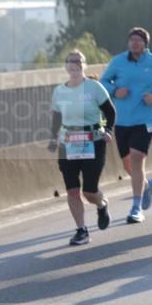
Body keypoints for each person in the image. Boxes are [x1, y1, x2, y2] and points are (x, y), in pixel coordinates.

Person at [100, 27, 152, 223]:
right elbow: (103, 81)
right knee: (127, 164)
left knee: (136, 158)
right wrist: (115, 91)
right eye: (131, 40)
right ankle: (147, 185)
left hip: (146, 118)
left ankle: (136, 207)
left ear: (145, 43)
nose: (134, 43)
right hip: (122, 119)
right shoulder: (118, 61)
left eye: (138, 40)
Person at [48, 50, 116, 245]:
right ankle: (81, 230)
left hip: (93, 141)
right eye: (70, 61)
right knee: (72, 190)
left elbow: (110, 112)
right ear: (66, 66)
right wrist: (53, 138)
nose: (74, 65)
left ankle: (102, 204)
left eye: (78, 61)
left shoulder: (94, 87)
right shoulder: (59, 91)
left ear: (84, 65)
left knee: (89, 191)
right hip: (67, 141)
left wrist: (108, 131)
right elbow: (56, 117)